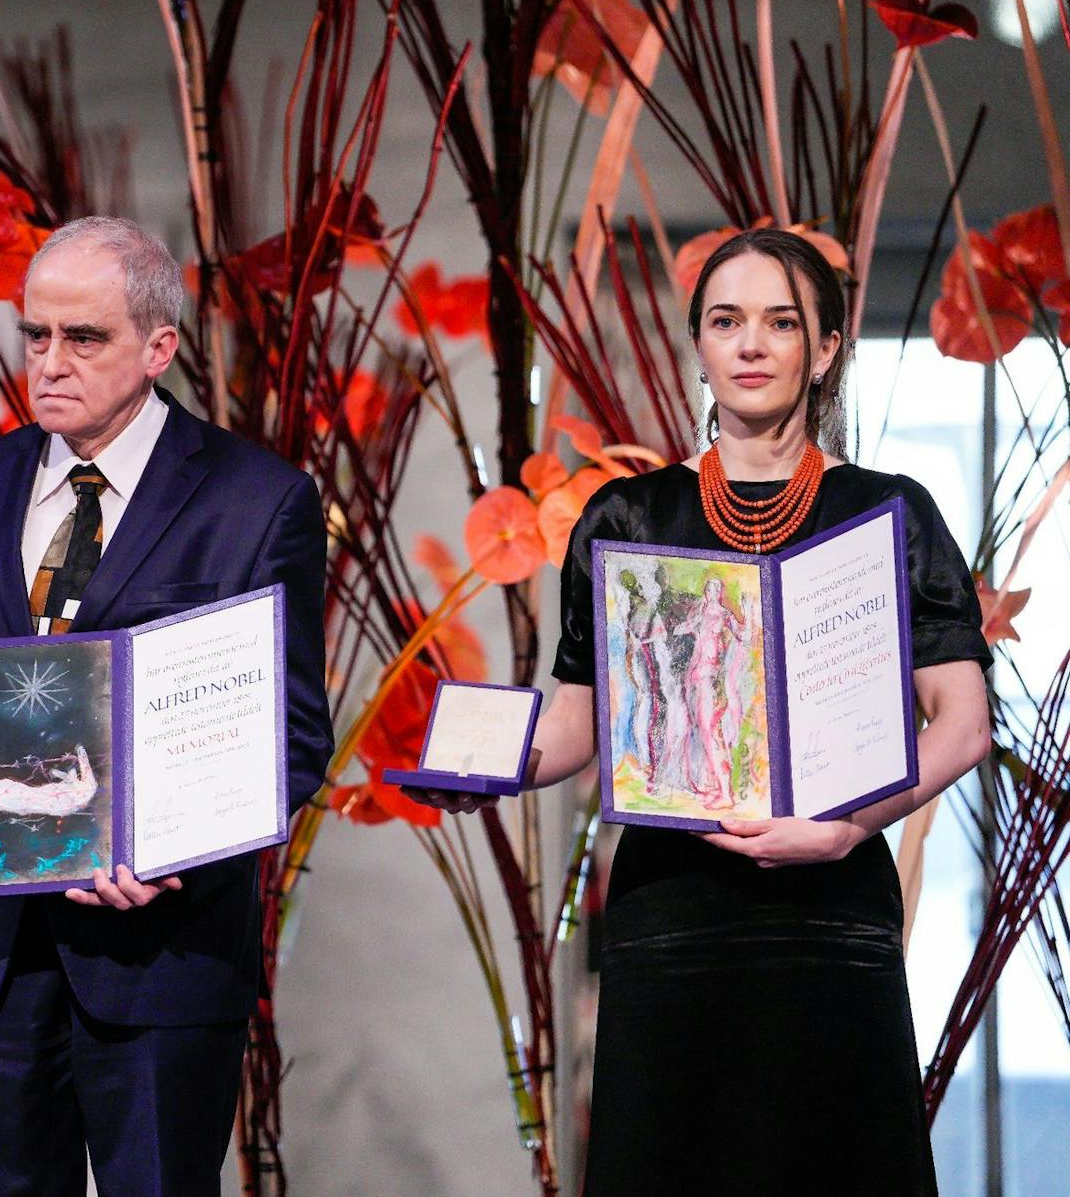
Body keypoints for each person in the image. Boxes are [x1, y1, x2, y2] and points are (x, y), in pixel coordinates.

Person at [418, 228, 990, 1195]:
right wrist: (488, 761)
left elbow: (964, 724)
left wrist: (845, 828)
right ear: (701, 344)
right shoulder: (627, 515)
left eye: (781, 322)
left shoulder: (889, 510)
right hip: (672, 918)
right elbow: (579, 721)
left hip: (829, 910)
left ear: (825, 347)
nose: (752, 344)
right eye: (727, 321)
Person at [0, 216, 332, 1195]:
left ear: (156, 346)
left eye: (80, 338)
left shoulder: (256, 500)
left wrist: (166, 849)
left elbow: (291, 742)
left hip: (160, 952)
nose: (48, 363)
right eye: (32, 335)